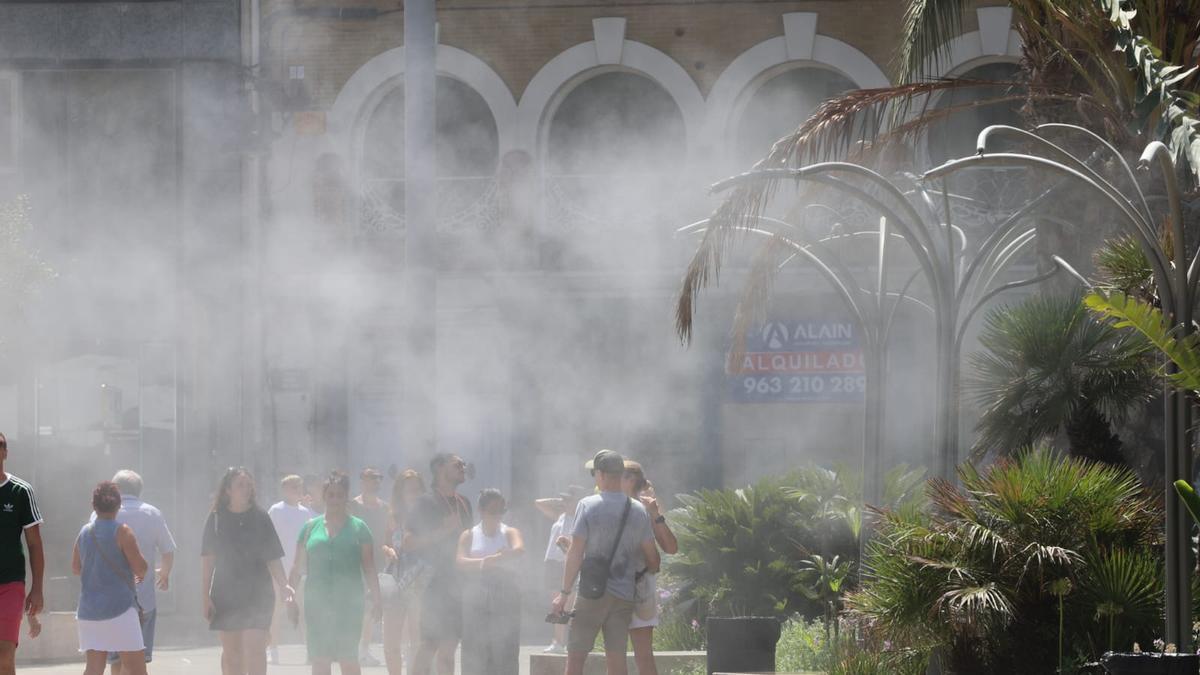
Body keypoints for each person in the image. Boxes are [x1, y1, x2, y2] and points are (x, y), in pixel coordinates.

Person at [551, 450, 660, 675]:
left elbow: (575, 551)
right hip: (623, 595)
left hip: (591, 593)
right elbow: (653, 558)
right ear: (620, 475)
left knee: (576, 657)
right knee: (616, 658)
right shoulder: (637, 509)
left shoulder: (587, 505)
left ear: (600, 475)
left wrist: (564, 592)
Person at [288, 471, 383, 675]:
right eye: (331, 494)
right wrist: (290, 598)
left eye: (340, 495)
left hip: (349, 604)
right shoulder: (309, 528)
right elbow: (296, 568)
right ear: (324, 497)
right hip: (316, 603)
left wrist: (377, 598)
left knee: (348, 659)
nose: (335, 499)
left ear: (346, 497)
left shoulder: (359, 528)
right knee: (320, 660)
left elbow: (369, 567)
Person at [201, 468, 294, 675]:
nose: (246, 489)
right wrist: (205, 596)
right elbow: (208, 561)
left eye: (248, 485)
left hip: (258, 593)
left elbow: (273, 557)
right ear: (227, 490)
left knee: (255, 649)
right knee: (232, 654)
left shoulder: (261, 517)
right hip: (225, 593)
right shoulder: (215, 518)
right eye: (240, 485)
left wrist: (284, 584)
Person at [91, 470, 177, 675]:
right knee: (138, 663)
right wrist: (164, 574)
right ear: (140, 490)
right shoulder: (152, 513)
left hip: (108, 602)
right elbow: (168, 550)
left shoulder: (99, 515)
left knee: (116, 660)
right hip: (143, 601)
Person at [73, 481, 149, 675]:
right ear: (118, 505)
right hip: (121, 610)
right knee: (136, 669)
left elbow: (76, 568)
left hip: (89, 611)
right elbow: (141, 569)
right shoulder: (123, 532)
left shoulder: (84, 531)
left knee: (94, 669)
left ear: (94, 505)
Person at [407, 453, 472, 675]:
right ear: (439, 469)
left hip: (460, 585)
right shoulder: (425, 501)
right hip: (434, 584)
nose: (463, 466)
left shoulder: (464, 502)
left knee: (449, 649)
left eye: (463, 463)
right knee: (430, 644)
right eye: (457, 464)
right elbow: (408, 542)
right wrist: (443, 531)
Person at [456, 489, 524, 675]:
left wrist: (504, 556)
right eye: (493, 511)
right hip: (476, 593)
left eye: (501, 510)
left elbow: (519, 549)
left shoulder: (509, 532)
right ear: (481, 510)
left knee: (505, 647)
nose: (497, 515)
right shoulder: (469, 534)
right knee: (474, 646)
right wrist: (484, 563)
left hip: (505, 592)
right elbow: (460, 560)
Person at [621, 462, 678, 675]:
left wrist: (655, 513)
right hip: (614, 585)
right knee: (616, 652)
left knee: (642, 653)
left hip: (640, 585)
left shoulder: (647, 508)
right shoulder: (605, 505)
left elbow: (671, 548)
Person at [0, 431, 44, 675]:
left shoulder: (20, 491)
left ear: (5, 452)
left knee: (5, 654)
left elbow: (35, 544)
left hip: (10, 585)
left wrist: (37, 589)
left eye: (0, 445)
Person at [381, 469, 426, 675]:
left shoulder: (428, 515)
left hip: (420, 579)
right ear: (400, 492)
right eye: (409, 490)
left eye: (417, 490)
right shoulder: (393, 517)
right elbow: (385, 543)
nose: (413, 494)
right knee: (391, 640)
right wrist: (389, 550)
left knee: (416, 640)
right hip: (396, 578)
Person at [267, 475, 313, 664]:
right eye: (292, 486)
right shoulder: (276, 510)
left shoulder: (307, 513)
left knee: (303, 611)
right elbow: (268, 538)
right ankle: (273, 650)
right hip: (279, 571)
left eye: (298, 486)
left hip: (300, 572)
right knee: (275, 611)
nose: (296, 490)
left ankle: (311, 651)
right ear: (284, 489)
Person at [535, 485, 586, 654]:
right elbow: (538, 503)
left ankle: (566, 642)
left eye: (568, 499)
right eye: (564, 499)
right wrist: (559, 501)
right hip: (552, 562)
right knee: (556, 602)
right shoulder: (560, 515)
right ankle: (557, 642)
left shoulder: (581, 519)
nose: (565, 502)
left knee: (568, 604)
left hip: (567, 564)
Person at [349, 467, 389, 666]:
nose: (375, 481)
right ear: (362, 481)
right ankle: (355, 649)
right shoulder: (353, 505)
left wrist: (388, 550)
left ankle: (363, 649)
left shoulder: (384, 507)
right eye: (371, 478)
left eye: (378, 478)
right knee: (359, 607)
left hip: (378, 563)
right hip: (356, 562)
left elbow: (387, 534)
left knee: (372, 605)